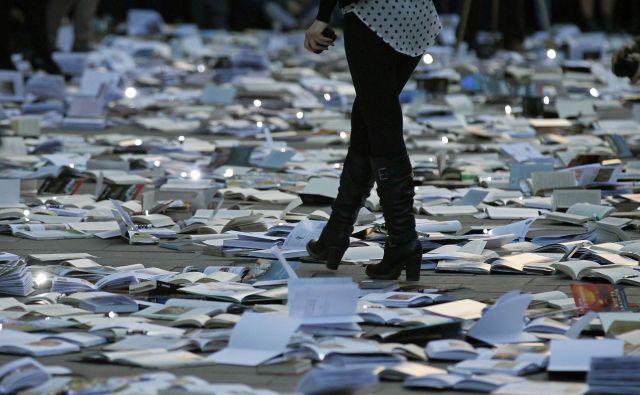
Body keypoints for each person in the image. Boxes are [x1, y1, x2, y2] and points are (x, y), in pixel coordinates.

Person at [304, 0, 441, 281]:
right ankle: (337, 231)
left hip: (373, 15)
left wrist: (322, 16)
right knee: (370, 117)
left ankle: (403, 239)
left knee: (382, 127)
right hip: (417, 15)